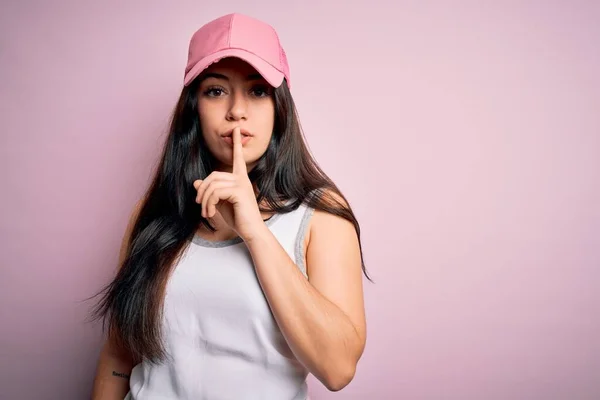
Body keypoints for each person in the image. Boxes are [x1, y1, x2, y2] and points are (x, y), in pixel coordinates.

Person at [90, 12, 369, 400]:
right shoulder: (152, 215)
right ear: (194, 108)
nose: (237, 110)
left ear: (279, 107)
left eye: (257, 91)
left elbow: (338, 369)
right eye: (216, 90)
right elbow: (118, 358)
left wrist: (254, 229)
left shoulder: (319, 214)